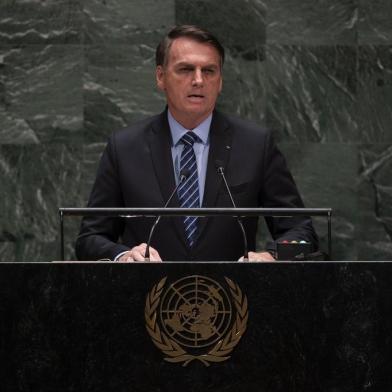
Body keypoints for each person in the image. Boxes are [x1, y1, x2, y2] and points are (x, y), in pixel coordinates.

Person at [75, 25, 318, 262]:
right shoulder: (125, 147)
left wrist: (272, 256)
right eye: (186, 69)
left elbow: (302, 234)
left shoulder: (255, 144)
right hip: (148, 297)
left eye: (209, 71)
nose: (199, 80)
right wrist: (124, 256)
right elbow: (90, 238)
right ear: (161, 77)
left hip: (233, 298)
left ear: (220, 81)